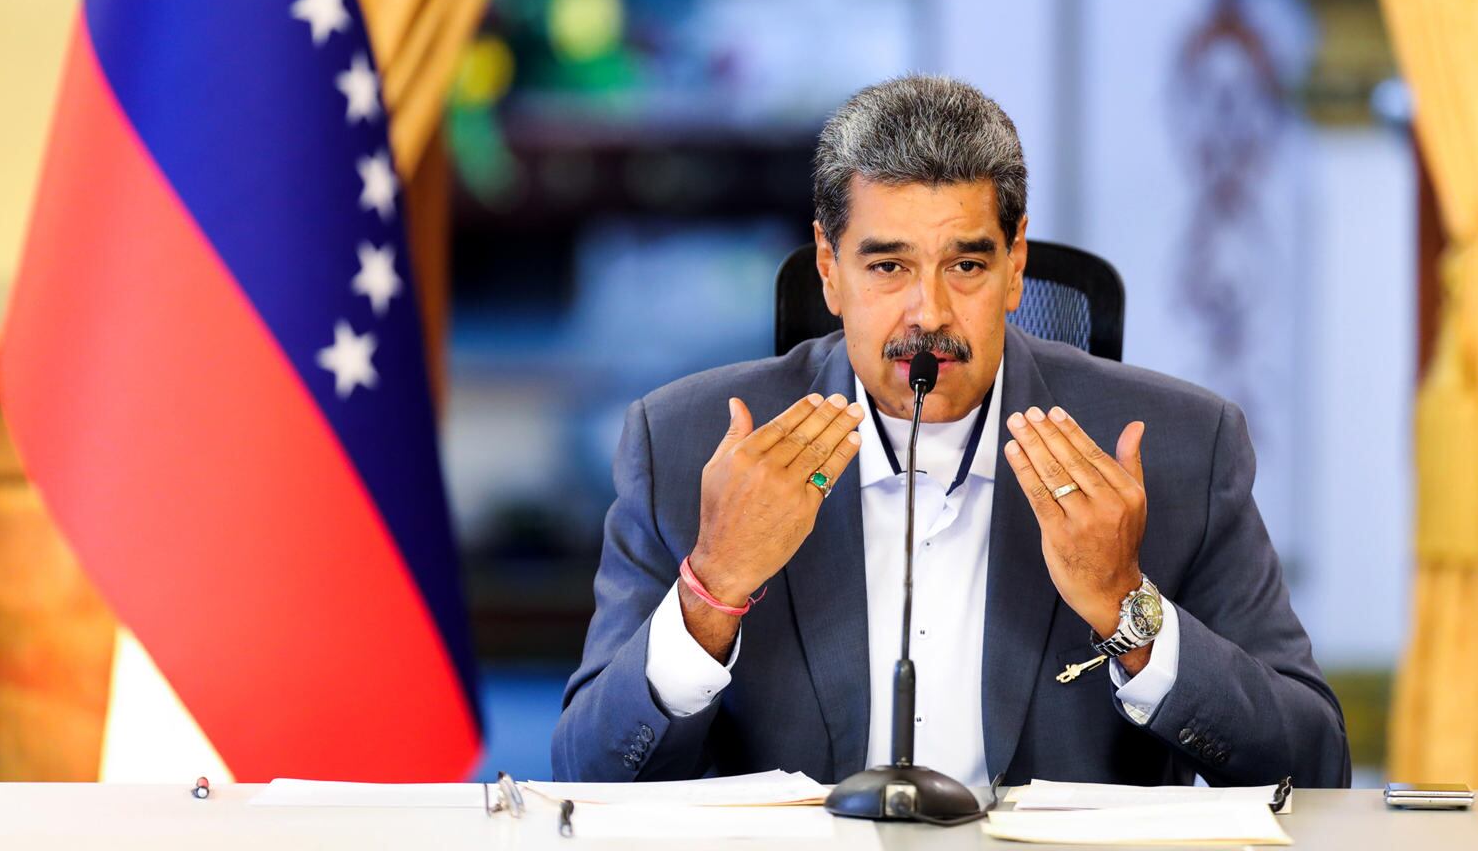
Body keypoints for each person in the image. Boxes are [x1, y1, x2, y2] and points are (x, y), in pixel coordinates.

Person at [552, 76, 1349, 788]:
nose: (928, 313)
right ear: (828, 267)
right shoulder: (685, 444)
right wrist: (712, 588)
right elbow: (587, 771)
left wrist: (1126, 608)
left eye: (965, 266)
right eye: (888, 266)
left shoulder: (1180, 445)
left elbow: (1312, 763)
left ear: (1015, 265)